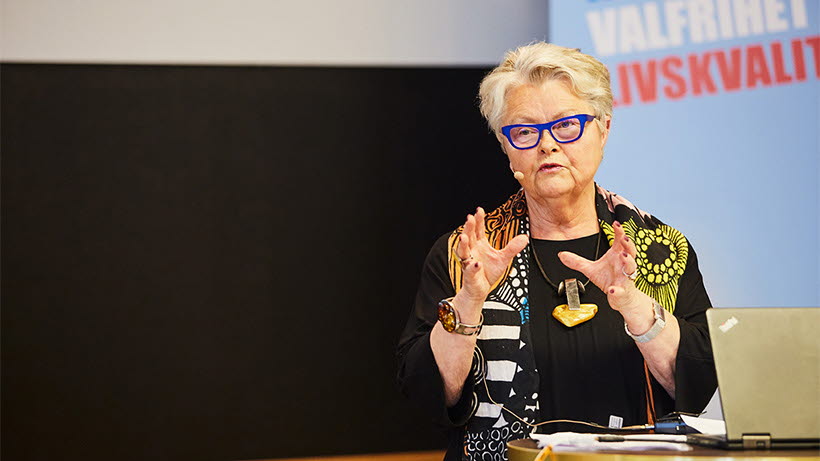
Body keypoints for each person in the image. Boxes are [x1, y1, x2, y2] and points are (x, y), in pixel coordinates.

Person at [396, 42, 717, 461]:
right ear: (506, 146)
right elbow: (426, 393)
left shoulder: (661, 249)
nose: (547, 145)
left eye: (567, 125)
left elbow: (700, 385)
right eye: (525, 131)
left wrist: (633, 304)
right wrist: (470, 300)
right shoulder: (466, 253)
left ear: (603, 129)